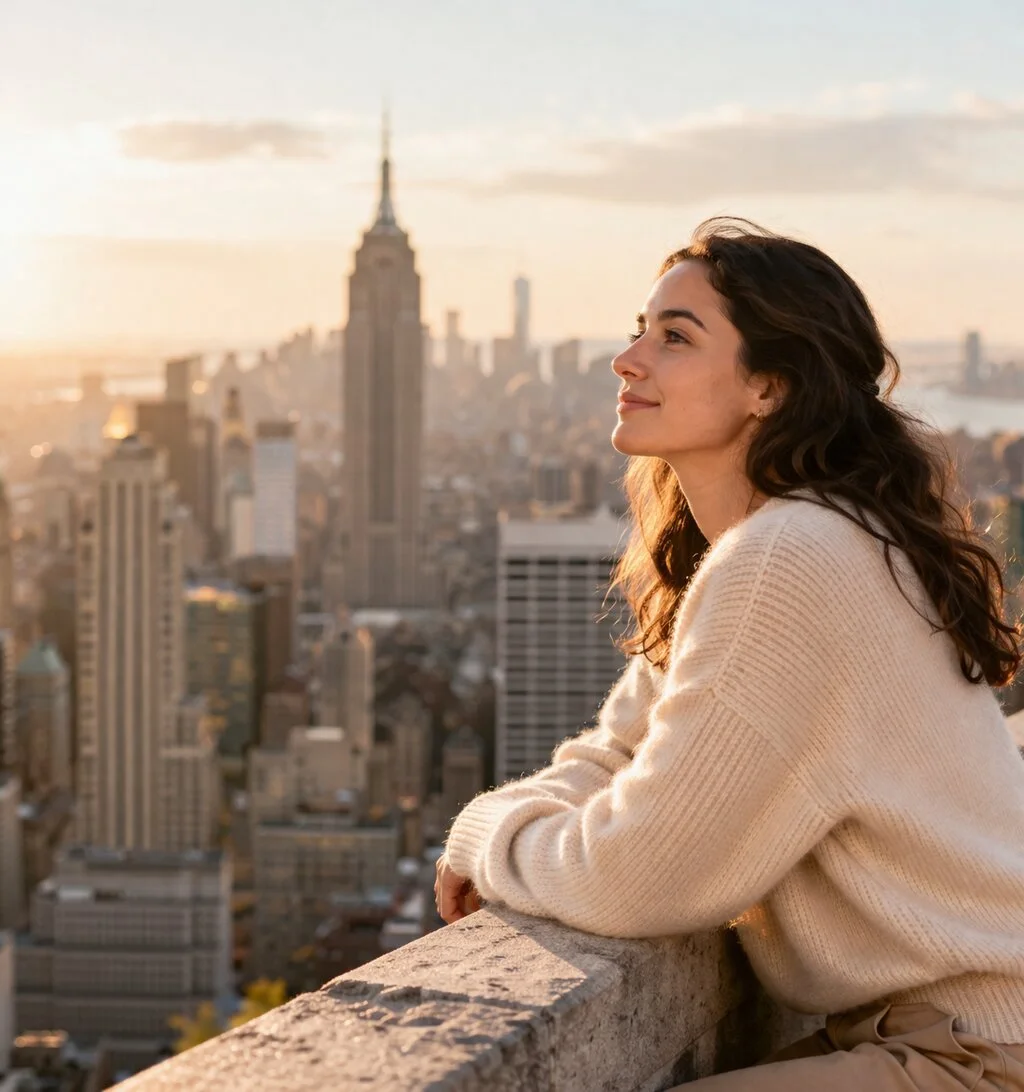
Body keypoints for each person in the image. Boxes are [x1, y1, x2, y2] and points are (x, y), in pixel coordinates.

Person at [434, 218, 1024, 1090]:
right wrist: (534, 813)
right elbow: (616, 755)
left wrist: (482, 835)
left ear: (770, 387)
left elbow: (637, 876)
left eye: (675, 337)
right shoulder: (775, 548)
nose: (627, 360)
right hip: (934, 1034)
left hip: (979, 1052)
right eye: (640, 330)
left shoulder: (792, 559)